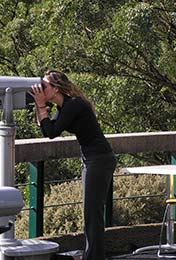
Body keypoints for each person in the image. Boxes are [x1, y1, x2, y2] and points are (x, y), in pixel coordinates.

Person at [29, 70, 116, 260]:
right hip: (91, 159)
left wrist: (41, 105)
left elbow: (51, 132)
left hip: (99, 159)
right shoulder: (63, 108)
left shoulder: (74, 105)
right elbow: (48, 130)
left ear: (55, 89)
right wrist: (39, 105)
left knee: (92, 215)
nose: (41, 90)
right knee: (90, 214)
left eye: (44, 87)